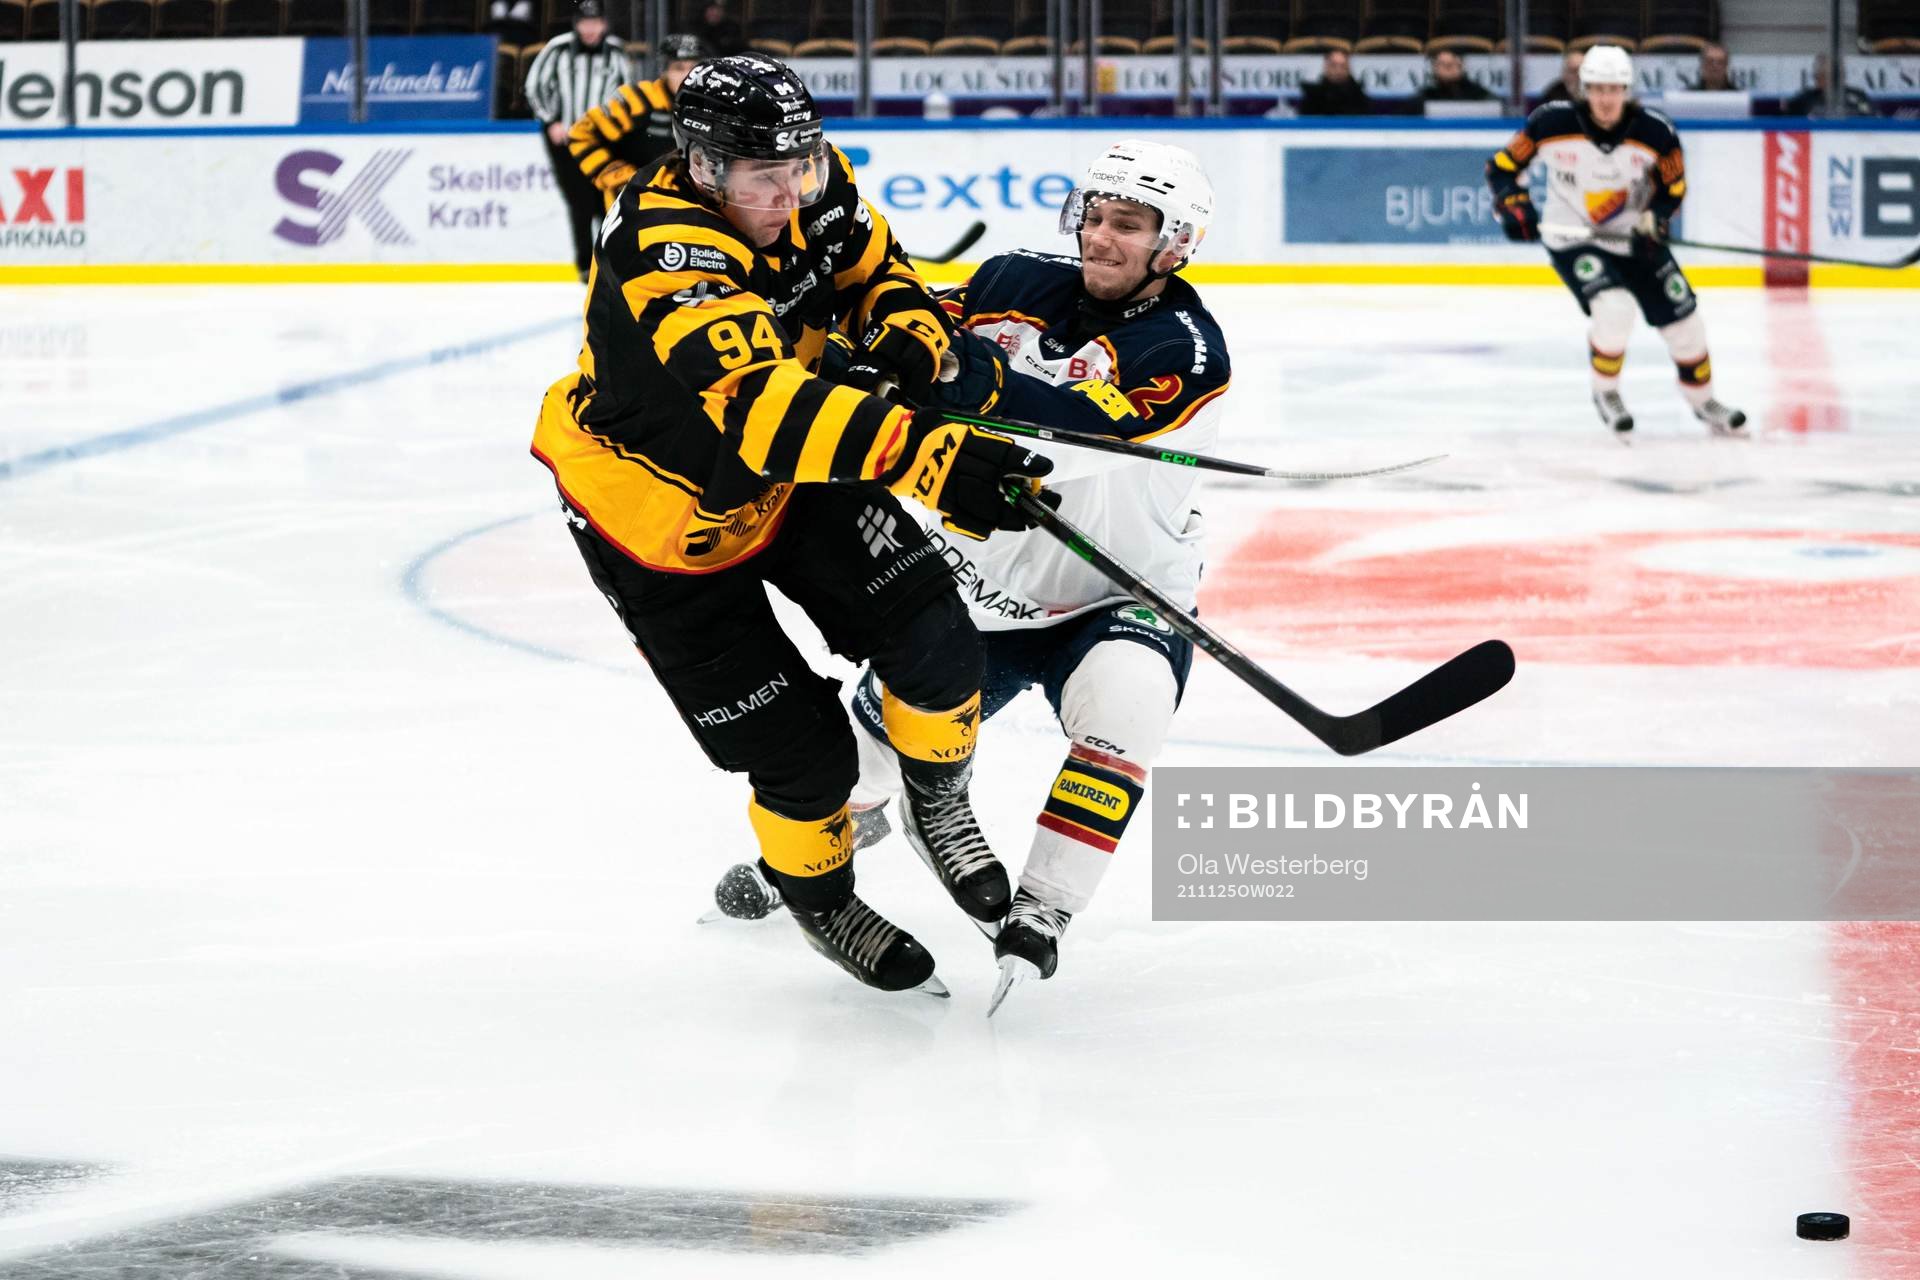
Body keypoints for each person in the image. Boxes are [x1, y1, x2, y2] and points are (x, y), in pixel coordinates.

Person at [531, 54, 1056, 995]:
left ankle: (936, 799)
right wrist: (924, 453)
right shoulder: (662, 246)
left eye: (799, 168)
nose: (789, 195)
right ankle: (821, 902)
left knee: (938, 640)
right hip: (661, 524)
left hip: (796, 475)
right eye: (762, 179)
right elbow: (761, 409)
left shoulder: (814, 177)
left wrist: (908, 338)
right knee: (803, 763)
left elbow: (882, 273)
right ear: (698, 165)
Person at [711, 141, 1230, 1010]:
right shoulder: (1011, 279)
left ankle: (1045, 911)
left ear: (1173, 245)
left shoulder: (1183, 349)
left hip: (1117, 594)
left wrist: (948, 377)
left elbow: (1062, 436)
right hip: (980, 589)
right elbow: (912, 332)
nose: (1102, 238)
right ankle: (823, 849)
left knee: (1127, 709)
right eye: (1095, 218)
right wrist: (856, 357)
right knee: (864, 763)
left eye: (1128, 226)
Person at [1486, 45, 1745, 438]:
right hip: (1572, 237)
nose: (1606, 99)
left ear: (1627, 90)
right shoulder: (1549, 123)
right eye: (1597, 88)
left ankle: (1703, 399)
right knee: (1614, 309)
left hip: (1634, 239)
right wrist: (1513, 204)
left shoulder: (1657, 132)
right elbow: (1502, 168)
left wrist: (1655, 218)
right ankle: (1606, 393)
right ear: (1583, 89)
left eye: (1614, 89)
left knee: (1686, 324)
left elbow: (1673, 188)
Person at [525, 0, 631, 281]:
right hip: (566, 141)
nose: (590, 28)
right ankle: (586, 265)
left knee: (607, 202)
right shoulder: (558, 48)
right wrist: (550, 120)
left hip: (602, 142)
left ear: (604, 24)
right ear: (576, 24)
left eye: (595, 22)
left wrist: (616, 131)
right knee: (580, 203)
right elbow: (534, 85)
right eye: (585, 22)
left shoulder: (617, 52)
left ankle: (610, 260)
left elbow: (625, 94)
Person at [567, 32, 712, 204]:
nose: (688, 76)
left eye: (694, 69)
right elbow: (581, 133)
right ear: (664, 71)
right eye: (678, 68)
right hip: (633, 212)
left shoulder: (710, 108)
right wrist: (618, 176)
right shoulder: (637, 100)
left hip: (687, 211)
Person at [1785, 54, 1873, 118]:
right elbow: (1784, 124)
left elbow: (1874, 120)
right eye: (1819, 75)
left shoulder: (1859, 97)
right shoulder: (1804, 99)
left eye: (1840, 74)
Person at [1296, 48, 1373, 116]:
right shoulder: (1312, 98)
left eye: (1343, 66)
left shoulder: (1359, 98)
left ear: (1349, 68)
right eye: (1333, 65)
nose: (1338, 71)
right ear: (1325, 67)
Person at [1419, 48, 1493, 103]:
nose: (1447, 70)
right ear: (1434, 68)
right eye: (1441, 64)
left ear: (1461, 67)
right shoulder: (1428, 94)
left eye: (1451, 65)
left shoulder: (1478, 93)